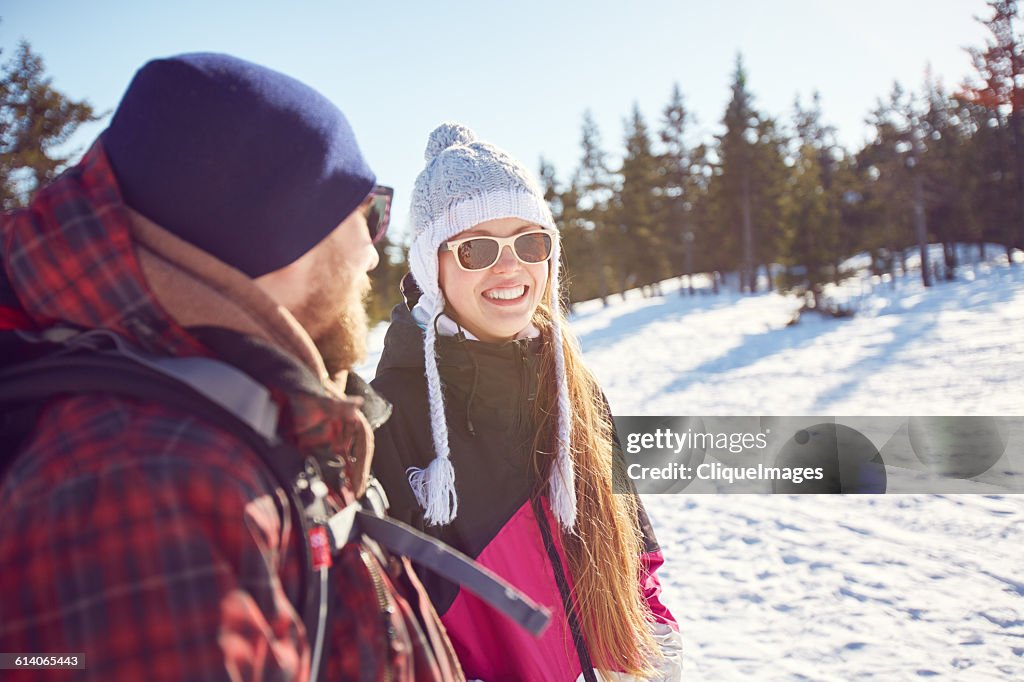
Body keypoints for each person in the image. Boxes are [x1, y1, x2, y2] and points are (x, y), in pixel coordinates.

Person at [0, 54, 462, 681]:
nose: (372, 254)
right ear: (273, 231)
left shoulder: (230, 430)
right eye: (367, 212)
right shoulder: (150, 486)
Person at [371, 123, 684, 681]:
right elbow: (389, 629)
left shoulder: (575, 390)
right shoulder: (390, 417)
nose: (510, 265)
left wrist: (654, 663)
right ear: (431, 267)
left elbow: (637, 555)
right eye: (478, 248)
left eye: (529, 241)